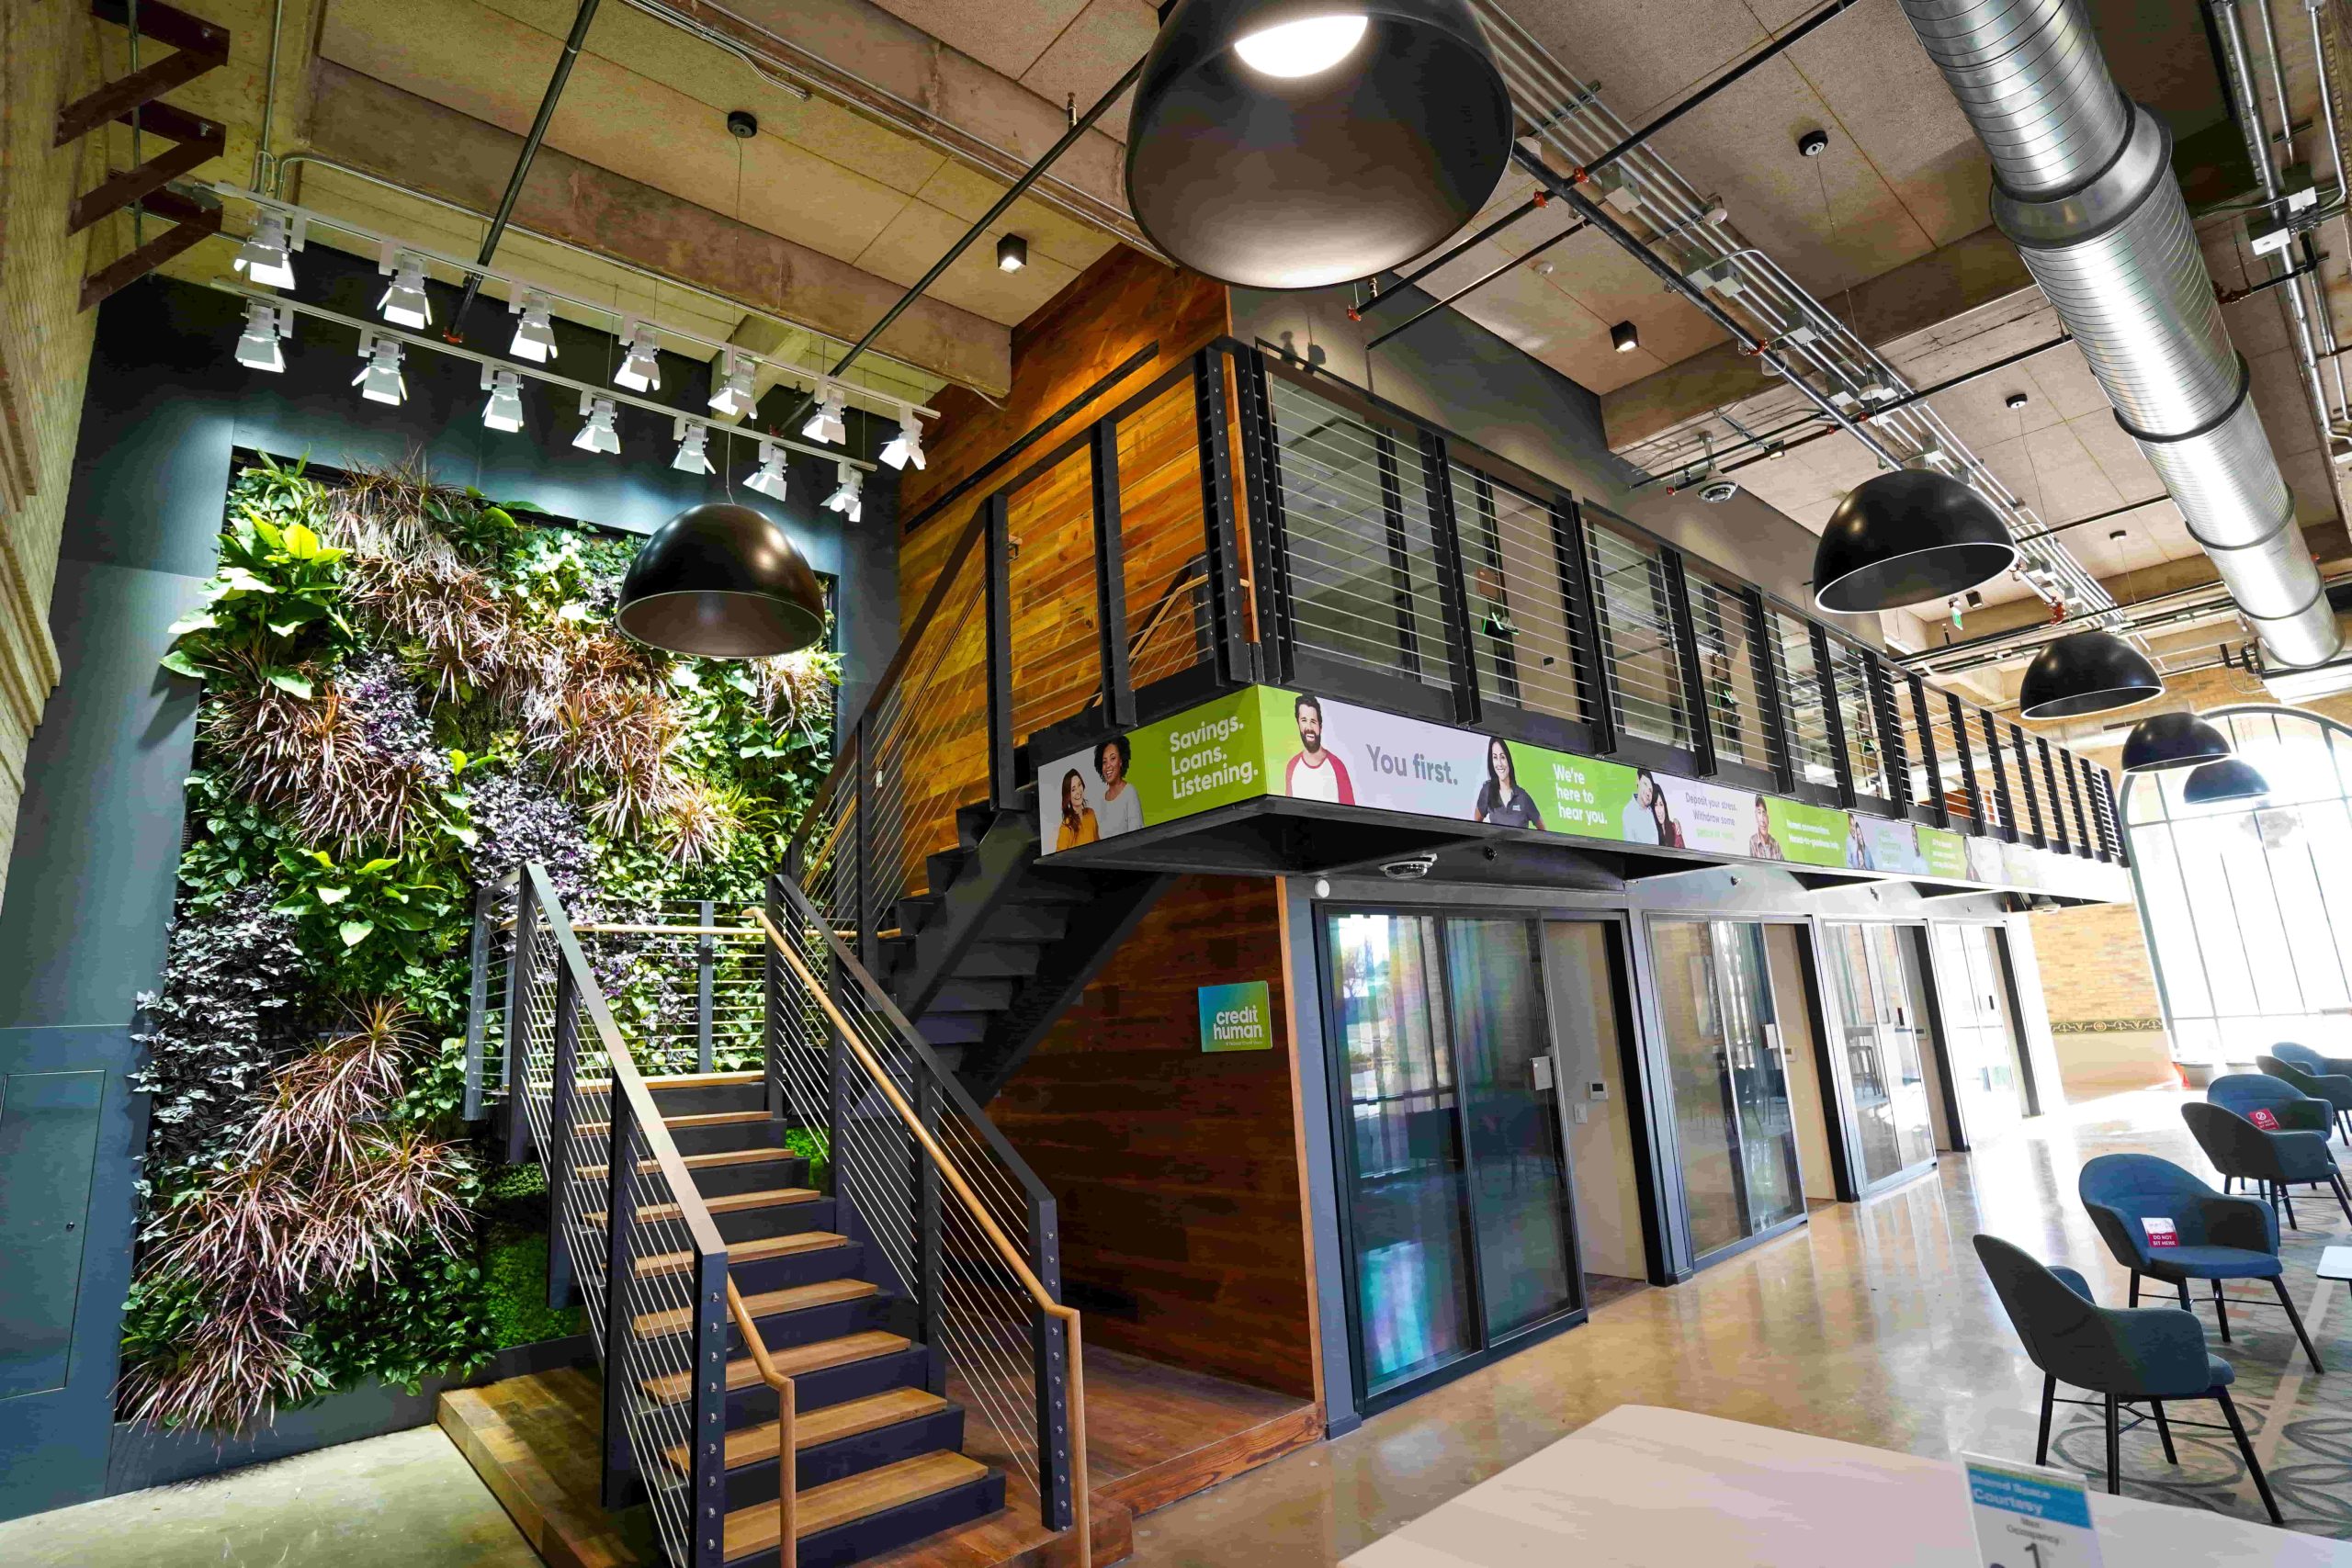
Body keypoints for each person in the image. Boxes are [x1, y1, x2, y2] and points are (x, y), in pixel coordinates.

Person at [1284, 693, 1355, 804]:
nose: (1309, 727)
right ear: (1298, 724)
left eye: (1313, 721)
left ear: (1320, 727)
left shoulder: (1337, 766)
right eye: (1304, 720)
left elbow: (1351, 811)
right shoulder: (1292, 766)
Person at [1474, 737, 1544, 829]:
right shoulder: (1487, 790)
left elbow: (1542, 829)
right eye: (1495, 757)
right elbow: (1475, 824)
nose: (1499, 763)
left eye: (1502, 757)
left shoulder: (1523, 797)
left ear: (1508, 760)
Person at [1093, 735, 1143, 838]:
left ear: (1120, 761)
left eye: (1113, 758)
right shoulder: (1100, 800)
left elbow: (1137, 836)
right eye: (1104, 761)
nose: (1108, 766)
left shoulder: (1129, 792)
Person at [1055, 768, 1098, 852]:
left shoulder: (1091, 813)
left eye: (1079, 785)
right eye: (1073, 789)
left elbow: (1098, 844)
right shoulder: (1066, 827)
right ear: (1068, 796)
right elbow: (1059, 857)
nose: (1078, 791)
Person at [1621, 771, 1661, 845]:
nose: (1648, 793)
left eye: (1650, 790)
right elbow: (1630, 846)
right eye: (1645, 784)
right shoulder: (1628, 812)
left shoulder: (1654, 809)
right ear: (1637, 780)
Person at [1647, 772, 1685, 848]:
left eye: (1661, 804)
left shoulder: (1674, 828)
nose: (1659, 810)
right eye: (1655, 805)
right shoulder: (1651, 831)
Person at [1747, 795, 1783, 861]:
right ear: (1756, 817)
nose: (1762, 820)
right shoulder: (1753, 841)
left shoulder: (1776, 844)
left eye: (1764, 813)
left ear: (1768, 818)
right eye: (1759, 813)